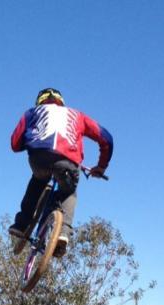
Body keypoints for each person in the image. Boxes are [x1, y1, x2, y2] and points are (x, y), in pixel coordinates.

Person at [9, 87, 113, 254]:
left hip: (38, 158)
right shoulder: (77, 115)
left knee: (37, 182)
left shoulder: (32, 113)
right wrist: (101, 166)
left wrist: (30, 142)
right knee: (69, 191)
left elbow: (15, 144)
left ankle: (21, 224)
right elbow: (106, 138)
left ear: (39, 101)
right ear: (61, 102)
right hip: (67, 161)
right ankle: (63, 233)